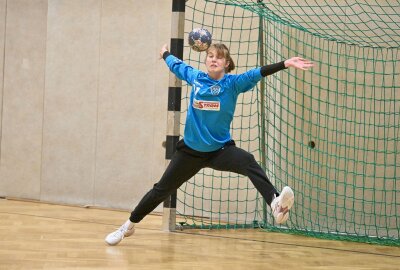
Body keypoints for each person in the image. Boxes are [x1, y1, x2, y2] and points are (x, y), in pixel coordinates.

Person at [105, 43, 314, 246]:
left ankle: (275, 203)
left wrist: (285, 63)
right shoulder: (196, 78)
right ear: (206, 60)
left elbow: (257, 72)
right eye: (211, 56)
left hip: (219, 151)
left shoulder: (233, 84)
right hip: (190, 153)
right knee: (161, 190)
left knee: (248, 161)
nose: (214, 59)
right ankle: (128, 226)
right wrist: (165, 53)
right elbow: (177, 65)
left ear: (227, 63)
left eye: (219, 57)